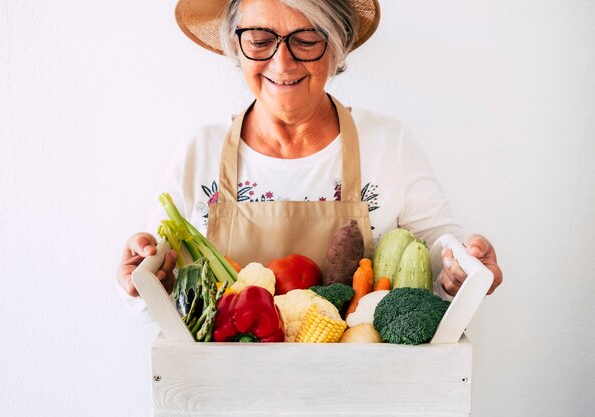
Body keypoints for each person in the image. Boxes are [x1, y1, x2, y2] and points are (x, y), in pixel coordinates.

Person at [117, 0, 502, 309]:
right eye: (259, 38)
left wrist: (460, 268)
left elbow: (437, 247)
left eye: (306, 38)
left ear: (335, 46)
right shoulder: (200, 150)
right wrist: (142, 276)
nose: (282, 63)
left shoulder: (388, 143)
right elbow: (156, 283)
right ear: (237, 46)